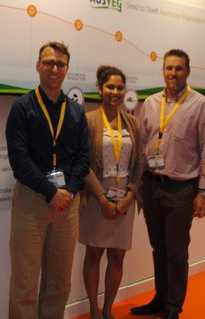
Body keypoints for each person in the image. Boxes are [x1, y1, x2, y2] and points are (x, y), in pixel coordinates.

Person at [131, 49, 205, 319]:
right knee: (159, 248)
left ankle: (173, 306)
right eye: (169, 68)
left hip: (181, 190)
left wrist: (204, 192)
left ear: (188, 72)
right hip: (151, 186)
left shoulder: (201, 105)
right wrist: (138, 185)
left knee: (177, 252)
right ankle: (160, 299)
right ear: (163, 71)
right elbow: (142, 145)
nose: (173, 73)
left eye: (178, 68)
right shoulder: (150, 103)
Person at [5, 41, 91, 319]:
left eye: (60, 64)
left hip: (67, 205)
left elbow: (83, 157)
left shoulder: (76, 111)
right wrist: (50, 191)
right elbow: (19, 158)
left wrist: (69, 191)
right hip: (31, 202)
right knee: (25, 282)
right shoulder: (22, 107)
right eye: (48, 62)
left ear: (67, 69)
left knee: (59, 282)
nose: (54, 68)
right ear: (38, 66)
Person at [79, 66, 142, 319]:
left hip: (124, 199)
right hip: (96, 198)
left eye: (119, 87)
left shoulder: (133, 122)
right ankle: (94, 310)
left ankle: (108, 310)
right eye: (110, 87)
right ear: (100, 89)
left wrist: (129, 197)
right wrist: (102, 198)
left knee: (117, 258)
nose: (115, 92)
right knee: (93, 255)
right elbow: (82, 163)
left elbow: (140, 164)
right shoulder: (88, 120)